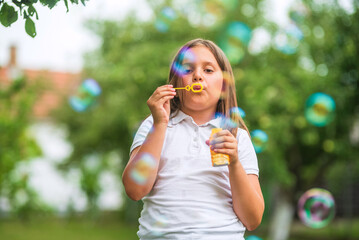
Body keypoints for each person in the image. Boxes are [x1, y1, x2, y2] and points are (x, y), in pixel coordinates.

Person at [122, 38, 264, 239]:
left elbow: (252, 219)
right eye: (188, 70)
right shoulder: (154, 125)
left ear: (223, 85)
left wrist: (234, 163)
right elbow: (134, 190)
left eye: (208, 70)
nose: (197, 75)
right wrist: (160, 125)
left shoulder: (235, 137)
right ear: (176, 83)